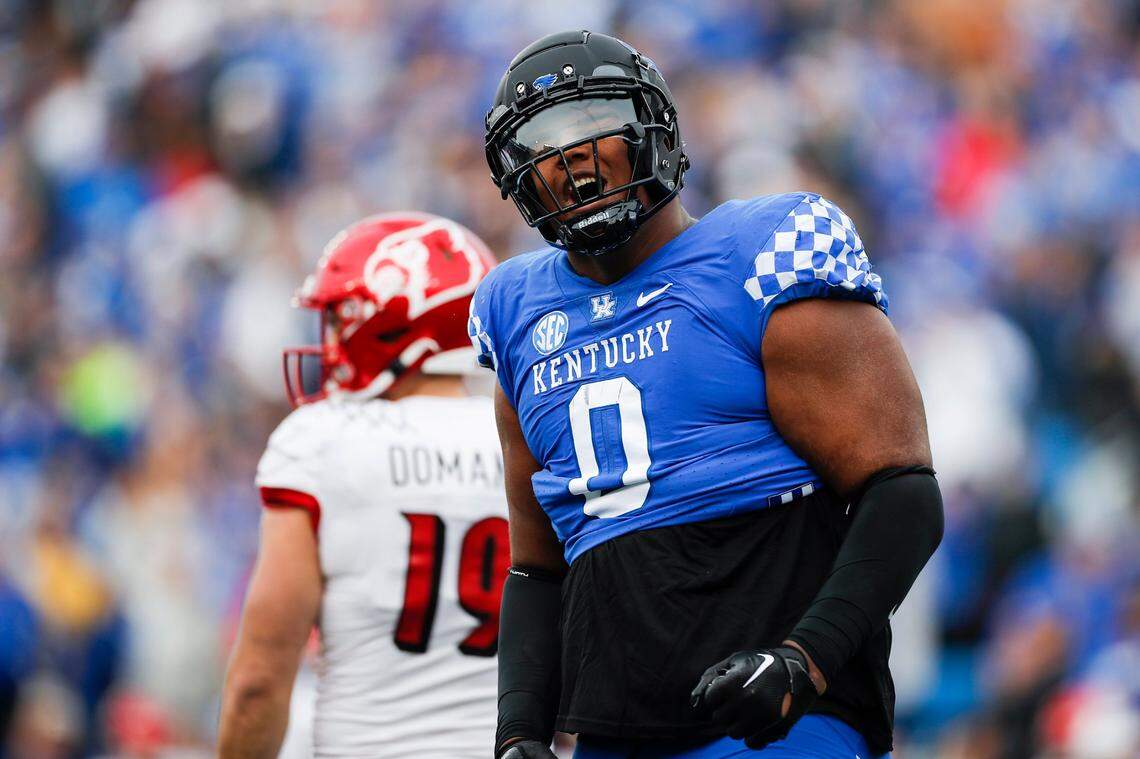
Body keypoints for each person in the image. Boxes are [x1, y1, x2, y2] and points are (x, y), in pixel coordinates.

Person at [471, 31, 944, 759]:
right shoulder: (513, 310)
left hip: (778, 716)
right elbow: (537, 567)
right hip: (615, 726)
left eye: (595, 126)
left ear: (651, 129)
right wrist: (520, 730)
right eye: (542, 143)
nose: (570, 160)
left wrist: (801, 660)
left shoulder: (763, 252)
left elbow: (903, 491)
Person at [218, 213, 509, 758]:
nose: (330, 340)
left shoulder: (322, 443)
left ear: (400, 320)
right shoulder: (529, 439)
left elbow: (258, 681)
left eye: (340, 318)